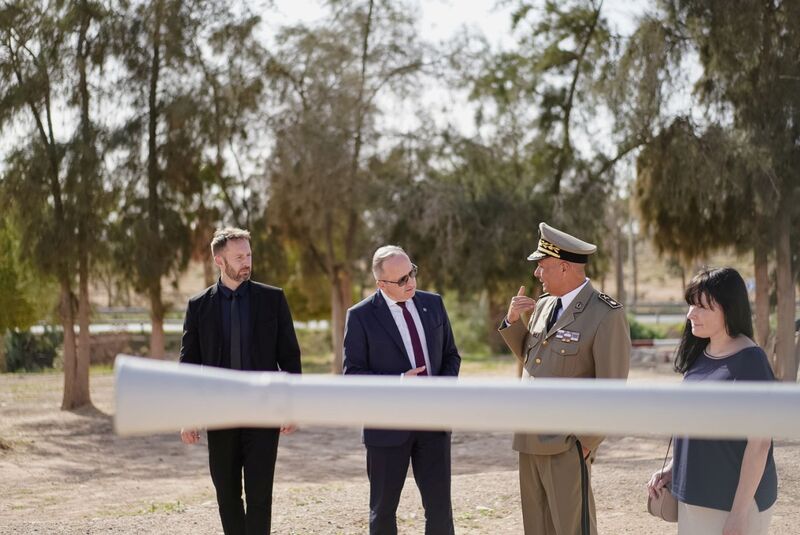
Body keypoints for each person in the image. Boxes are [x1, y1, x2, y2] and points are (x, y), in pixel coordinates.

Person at [499, 222, 631, 535]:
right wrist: (512, 321)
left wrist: (586, 442)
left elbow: (612, 386)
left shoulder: (605, 314)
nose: (536, 274)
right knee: (537, 527)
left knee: (572, 528)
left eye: (542, 266)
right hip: (529, 438)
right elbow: (534, 360)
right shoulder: (544, 305)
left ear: (563, 267)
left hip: (566, 444)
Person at [179, 227, 302, 534]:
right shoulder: (199, 305)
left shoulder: (272, 299)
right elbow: (189, 363)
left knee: (260, 496)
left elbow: (289, 357)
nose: (247, 262)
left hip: (264, 412)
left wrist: (292, 406)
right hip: (219, 414)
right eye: (239, 257)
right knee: (227, 495)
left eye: (248, 254)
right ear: (219, 261)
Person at [647, 267, 777, 535]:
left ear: (728, 309)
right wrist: (672, 469)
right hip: (694, 497)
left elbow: (760, 444)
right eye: (691, 305)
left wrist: (739, 514)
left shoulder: (751, 361)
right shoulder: (702, 353)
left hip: (731, 503)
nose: (690, 314)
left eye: (702, 307)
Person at [343, 245, 461, 535]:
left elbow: (451, 356)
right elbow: (352, 374)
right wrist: (398, 381)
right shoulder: (360, 316)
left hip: (433, 423)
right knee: (383, 510)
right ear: (381, 284)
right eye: (402, 280)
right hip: (387, 427)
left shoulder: (433, 304)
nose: (411, 282)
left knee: (440, 509)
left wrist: (440, 389)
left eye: (412, 273)